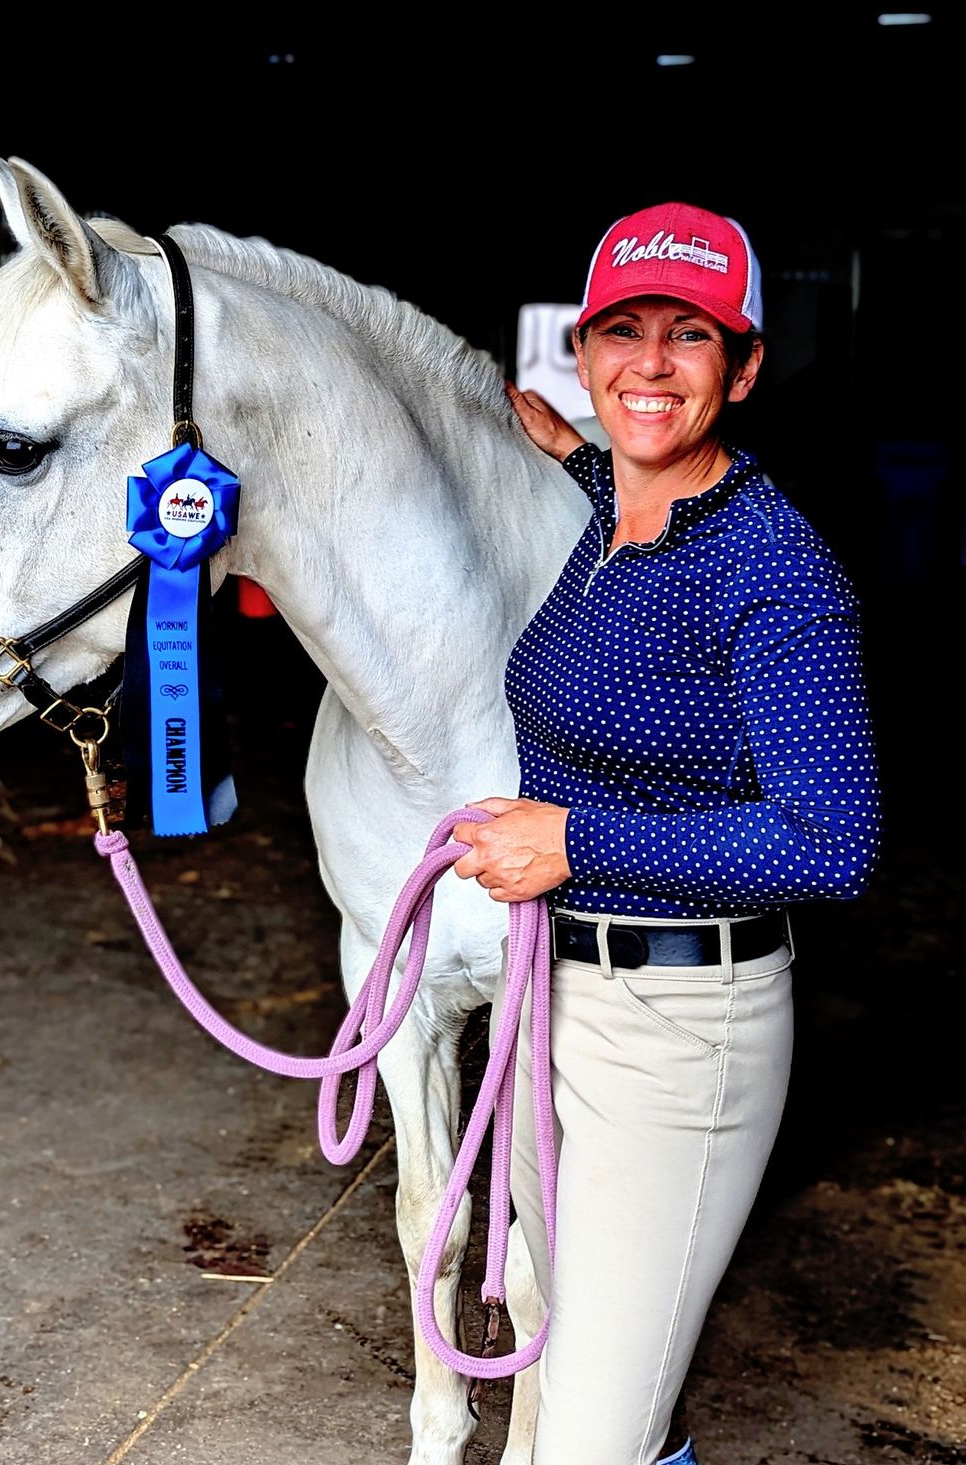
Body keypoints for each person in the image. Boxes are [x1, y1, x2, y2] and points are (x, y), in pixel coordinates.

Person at [452, 201, 882, 1464]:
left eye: (689, 336)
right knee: (588, 1370)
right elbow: (619, 460)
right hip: (552, 1002)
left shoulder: (775, 571)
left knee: (587, 1445)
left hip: (679, 1038)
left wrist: (575, 842)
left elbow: (832, 839)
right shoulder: (617, 510)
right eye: (623, 332)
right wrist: (564, 449)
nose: (650, 363)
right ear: (580, 359)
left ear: (742, 369)